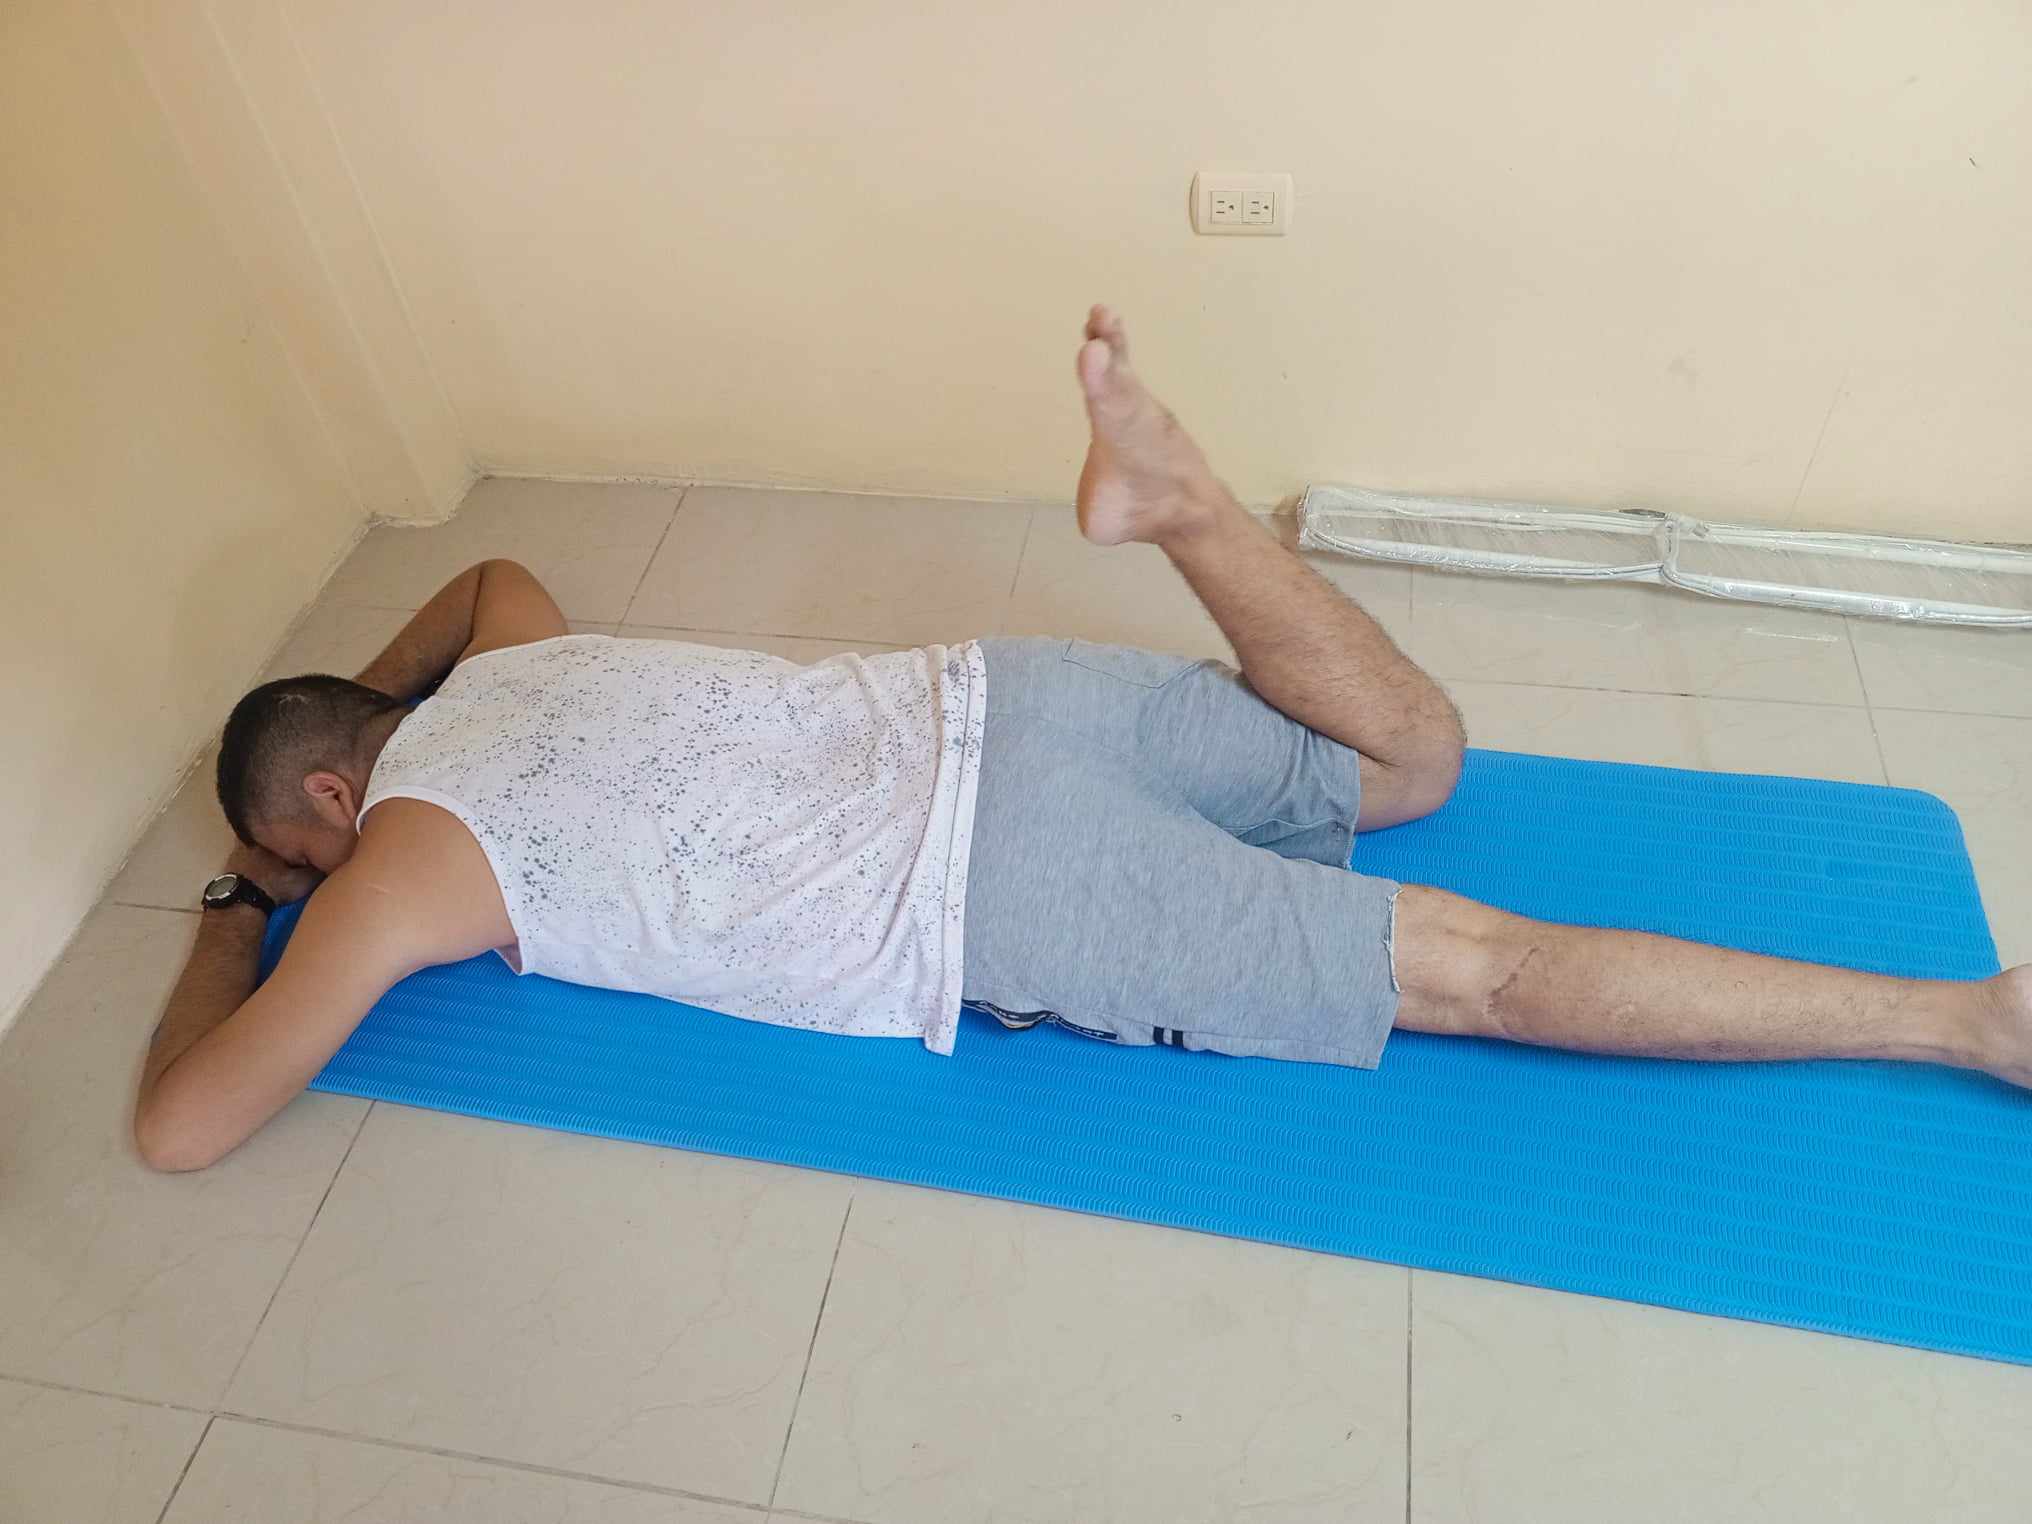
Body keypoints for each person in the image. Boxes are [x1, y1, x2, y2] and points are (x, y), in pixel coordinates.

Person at [135, 307, 2030, 1171]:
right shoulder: (512, 647)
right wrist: (387, 702)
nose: (311, 890)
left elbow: (180, 1127)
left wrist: (243, 908)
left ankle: (1966, 1022)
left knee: (1483, 969)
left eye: (304, 849)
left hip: (1002, 882)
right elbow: (481, 571)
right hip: (1009, 696)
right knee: (1414, 767)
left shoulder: (399, 871)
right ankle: (1189, 514)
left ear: (334, 800)